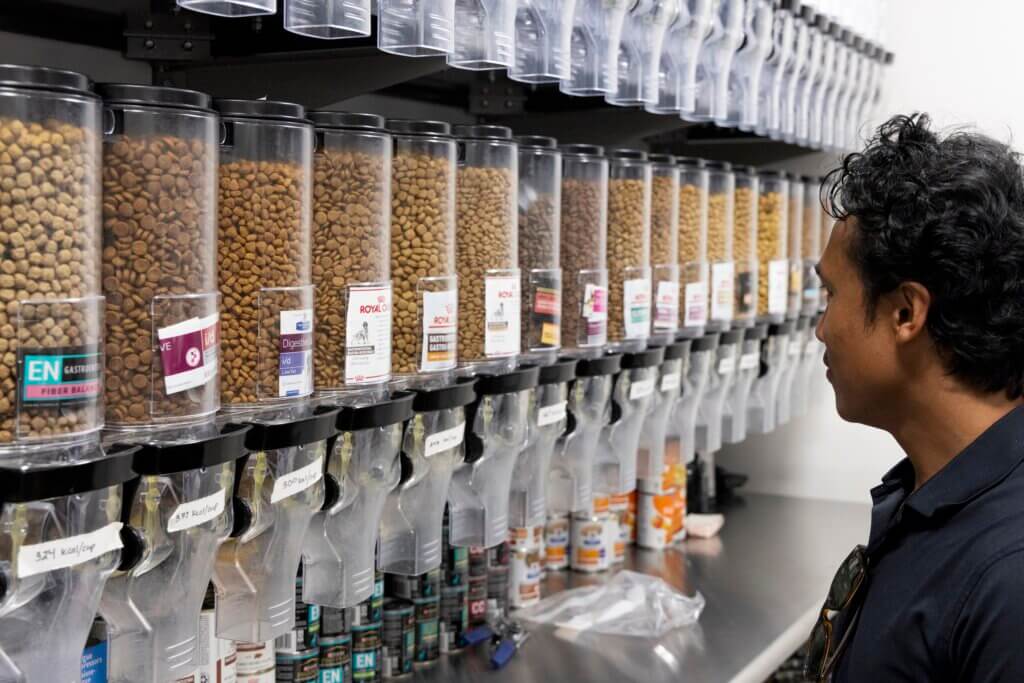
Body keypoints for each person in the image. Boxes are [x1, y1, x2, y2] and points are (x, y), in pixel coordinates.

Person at [806, 113, 1024, 681]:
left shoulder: (1009, 579)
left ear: (905, 312)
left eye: (830, 293)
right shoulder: (936, 492)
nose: (821, 328)